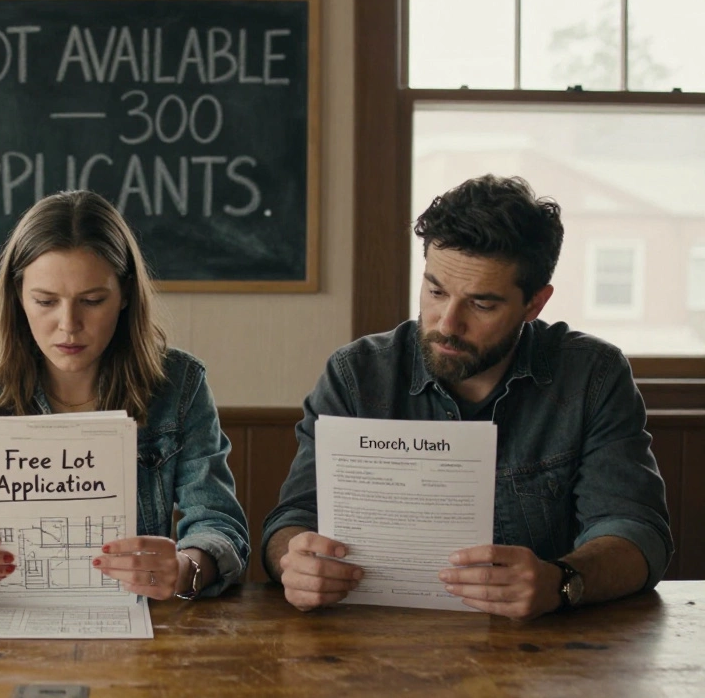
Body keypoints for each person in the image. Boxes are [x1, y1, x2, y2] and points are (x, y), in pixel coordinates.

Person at [263, 174, 672, 620]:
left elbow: (637, 532)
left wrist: (562, 580)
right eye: (436, 291)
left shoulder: (592, 375)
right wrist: (293, 562)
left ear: (534, 304)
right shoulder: (357, 373)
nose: (447, 323)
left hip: (542, 648)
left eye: (481, 304)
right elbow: (292, 518)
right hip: (375, 641)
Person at [0, 190, 248, 600]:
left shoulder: (179, 385)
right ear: (18, 296)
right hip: (3, 617)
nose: (68, 325)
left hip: (140, 625)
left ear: (126, 294)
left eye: (92, 301)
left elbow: (219, 524)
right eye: (45, 301)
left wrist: (186, 569)